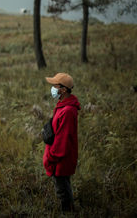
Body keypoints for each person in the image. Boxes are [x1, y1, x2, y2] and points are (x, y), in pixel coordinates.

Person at [43, 72, 80, 213]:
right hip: (59, 159)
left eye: (55, 85)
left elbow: (63, 140)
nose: (52, 88)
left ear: (63, 89)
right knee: (63, 187)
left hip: (60, 159)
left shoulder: (68, 111)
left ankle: (69, 213)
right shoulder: (63, 105)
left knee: (63, 191)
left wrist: (51, 157)